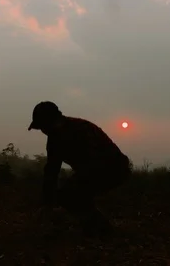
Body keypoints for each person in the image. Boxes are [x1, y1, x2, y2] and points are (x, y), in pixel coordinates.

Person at [28, 101, 132, 238]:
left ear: (54, 121)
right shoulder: (54, 139)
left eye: (44, 126)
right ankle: (95, 229)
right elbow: (51, 170)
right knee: (69, 194)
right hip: (93, 171)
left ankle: (102, 231)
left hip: (115, 169)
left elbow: (95, 163)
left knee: (71, 193)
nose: (43, 131)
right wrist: (47, 202)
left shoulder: (81, 129)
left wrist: (71, 186)